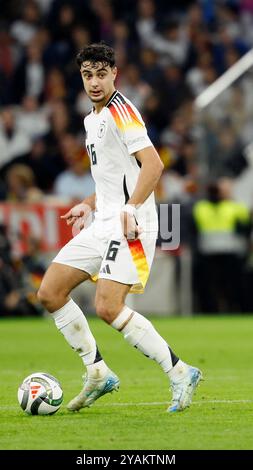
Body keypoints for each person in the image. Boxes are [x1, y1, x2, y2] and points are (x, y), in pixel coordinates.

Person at [38, 42, 202, 413]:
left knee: (108, 307)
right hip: (105, 219)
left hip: (133, 224)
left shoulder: (122, 112)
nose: (94, 82)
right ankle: (97, 372)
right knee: (50, 292)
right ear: (81, 78)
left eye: (101, 74)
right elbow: (112, 179)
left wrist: (129, 208)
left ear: (114, 73)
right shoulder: (91, 119)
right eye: (87, 75)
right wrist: (88, 204)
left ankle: (179, 371)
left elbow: (153, 166)